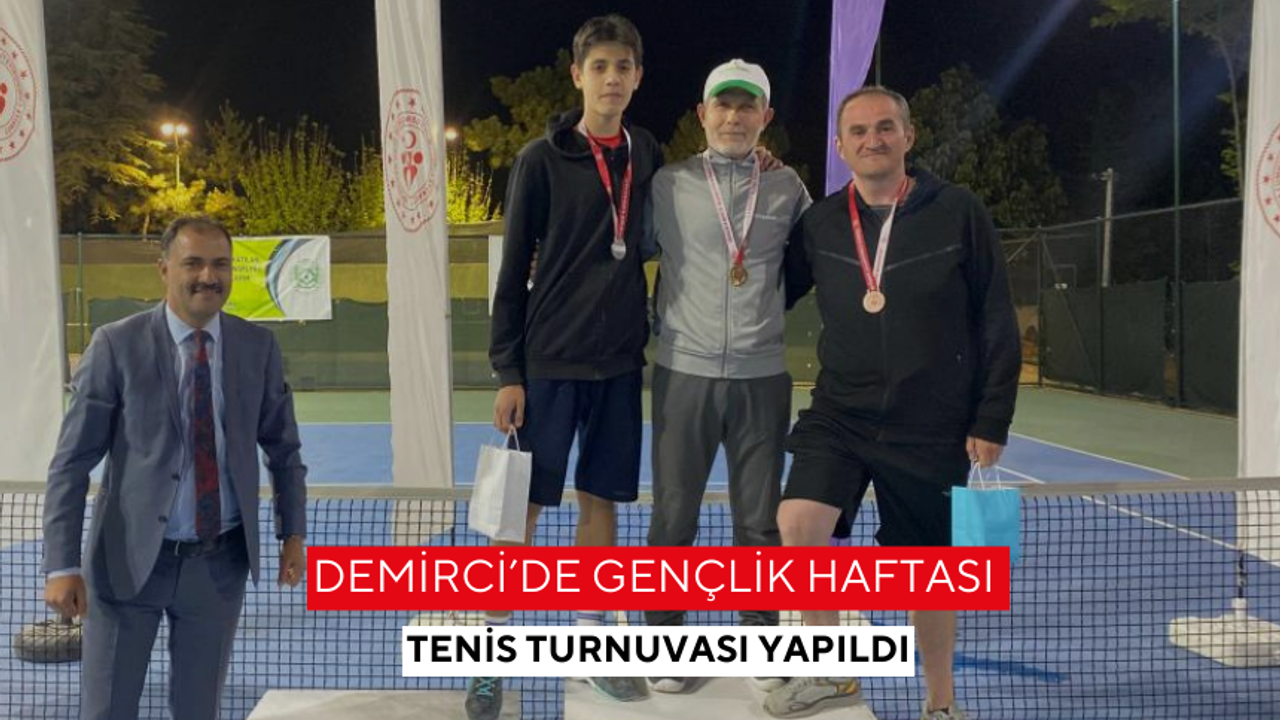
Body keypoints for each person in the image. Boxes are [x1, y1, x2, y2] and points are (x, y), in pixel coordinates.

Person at [763, 87, 1020, 720]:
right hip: (840, 412)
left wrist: (992, 415)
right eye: (857, 131)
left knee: (927, 570)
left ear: (909, 136)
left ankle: (941, 703)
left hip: (931, 422)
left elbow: (995, 315)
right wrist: (753, 178)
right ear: (839, 146)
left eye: (884, 127)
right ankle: (830, 675)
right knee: (799, 523)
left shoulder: (957, 211)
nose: (872, 139)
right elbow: (765, 288)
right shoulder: (821, 222)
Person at [42, 215, 308, 720]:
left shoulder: (258, 347)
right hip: (126, 565)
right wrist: (62, 566)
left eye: (220, 264)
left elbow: (284, 450)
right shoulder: (116, 344)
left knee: (198, 710)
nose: (208, 276)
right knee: (108, 710)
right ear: (164, 269)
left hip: (219, 565)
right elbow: (71, 463)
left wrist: (291, 534)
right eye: (193, 263)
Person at [476, 14, 662, 719]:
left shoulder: (647, 153)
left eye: (624, 66)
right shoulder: (540, 159)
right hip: (548, 363)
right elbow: (511, 271)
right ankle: (490, 655)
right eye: (600, 66)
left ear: (638, 77)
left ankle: (594, 644)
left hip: (618, 367)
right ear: (578, 75)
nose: (612, 78)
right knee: (518, 512)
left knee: (600, 504)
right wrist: (508, 370)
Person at [642, 59, 811, 695]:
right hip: (682, 372)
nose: (734, 117)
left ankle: (762, 639)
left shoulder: (788, 186)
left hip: (762, 375)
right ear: (702, 113)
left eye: (747, 107)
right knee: (672, 518)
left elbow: (814, 261)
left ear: (765, 117)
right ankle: (665, 645)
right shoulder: (668, 184)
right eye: (723, 105)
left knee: (760, 521)